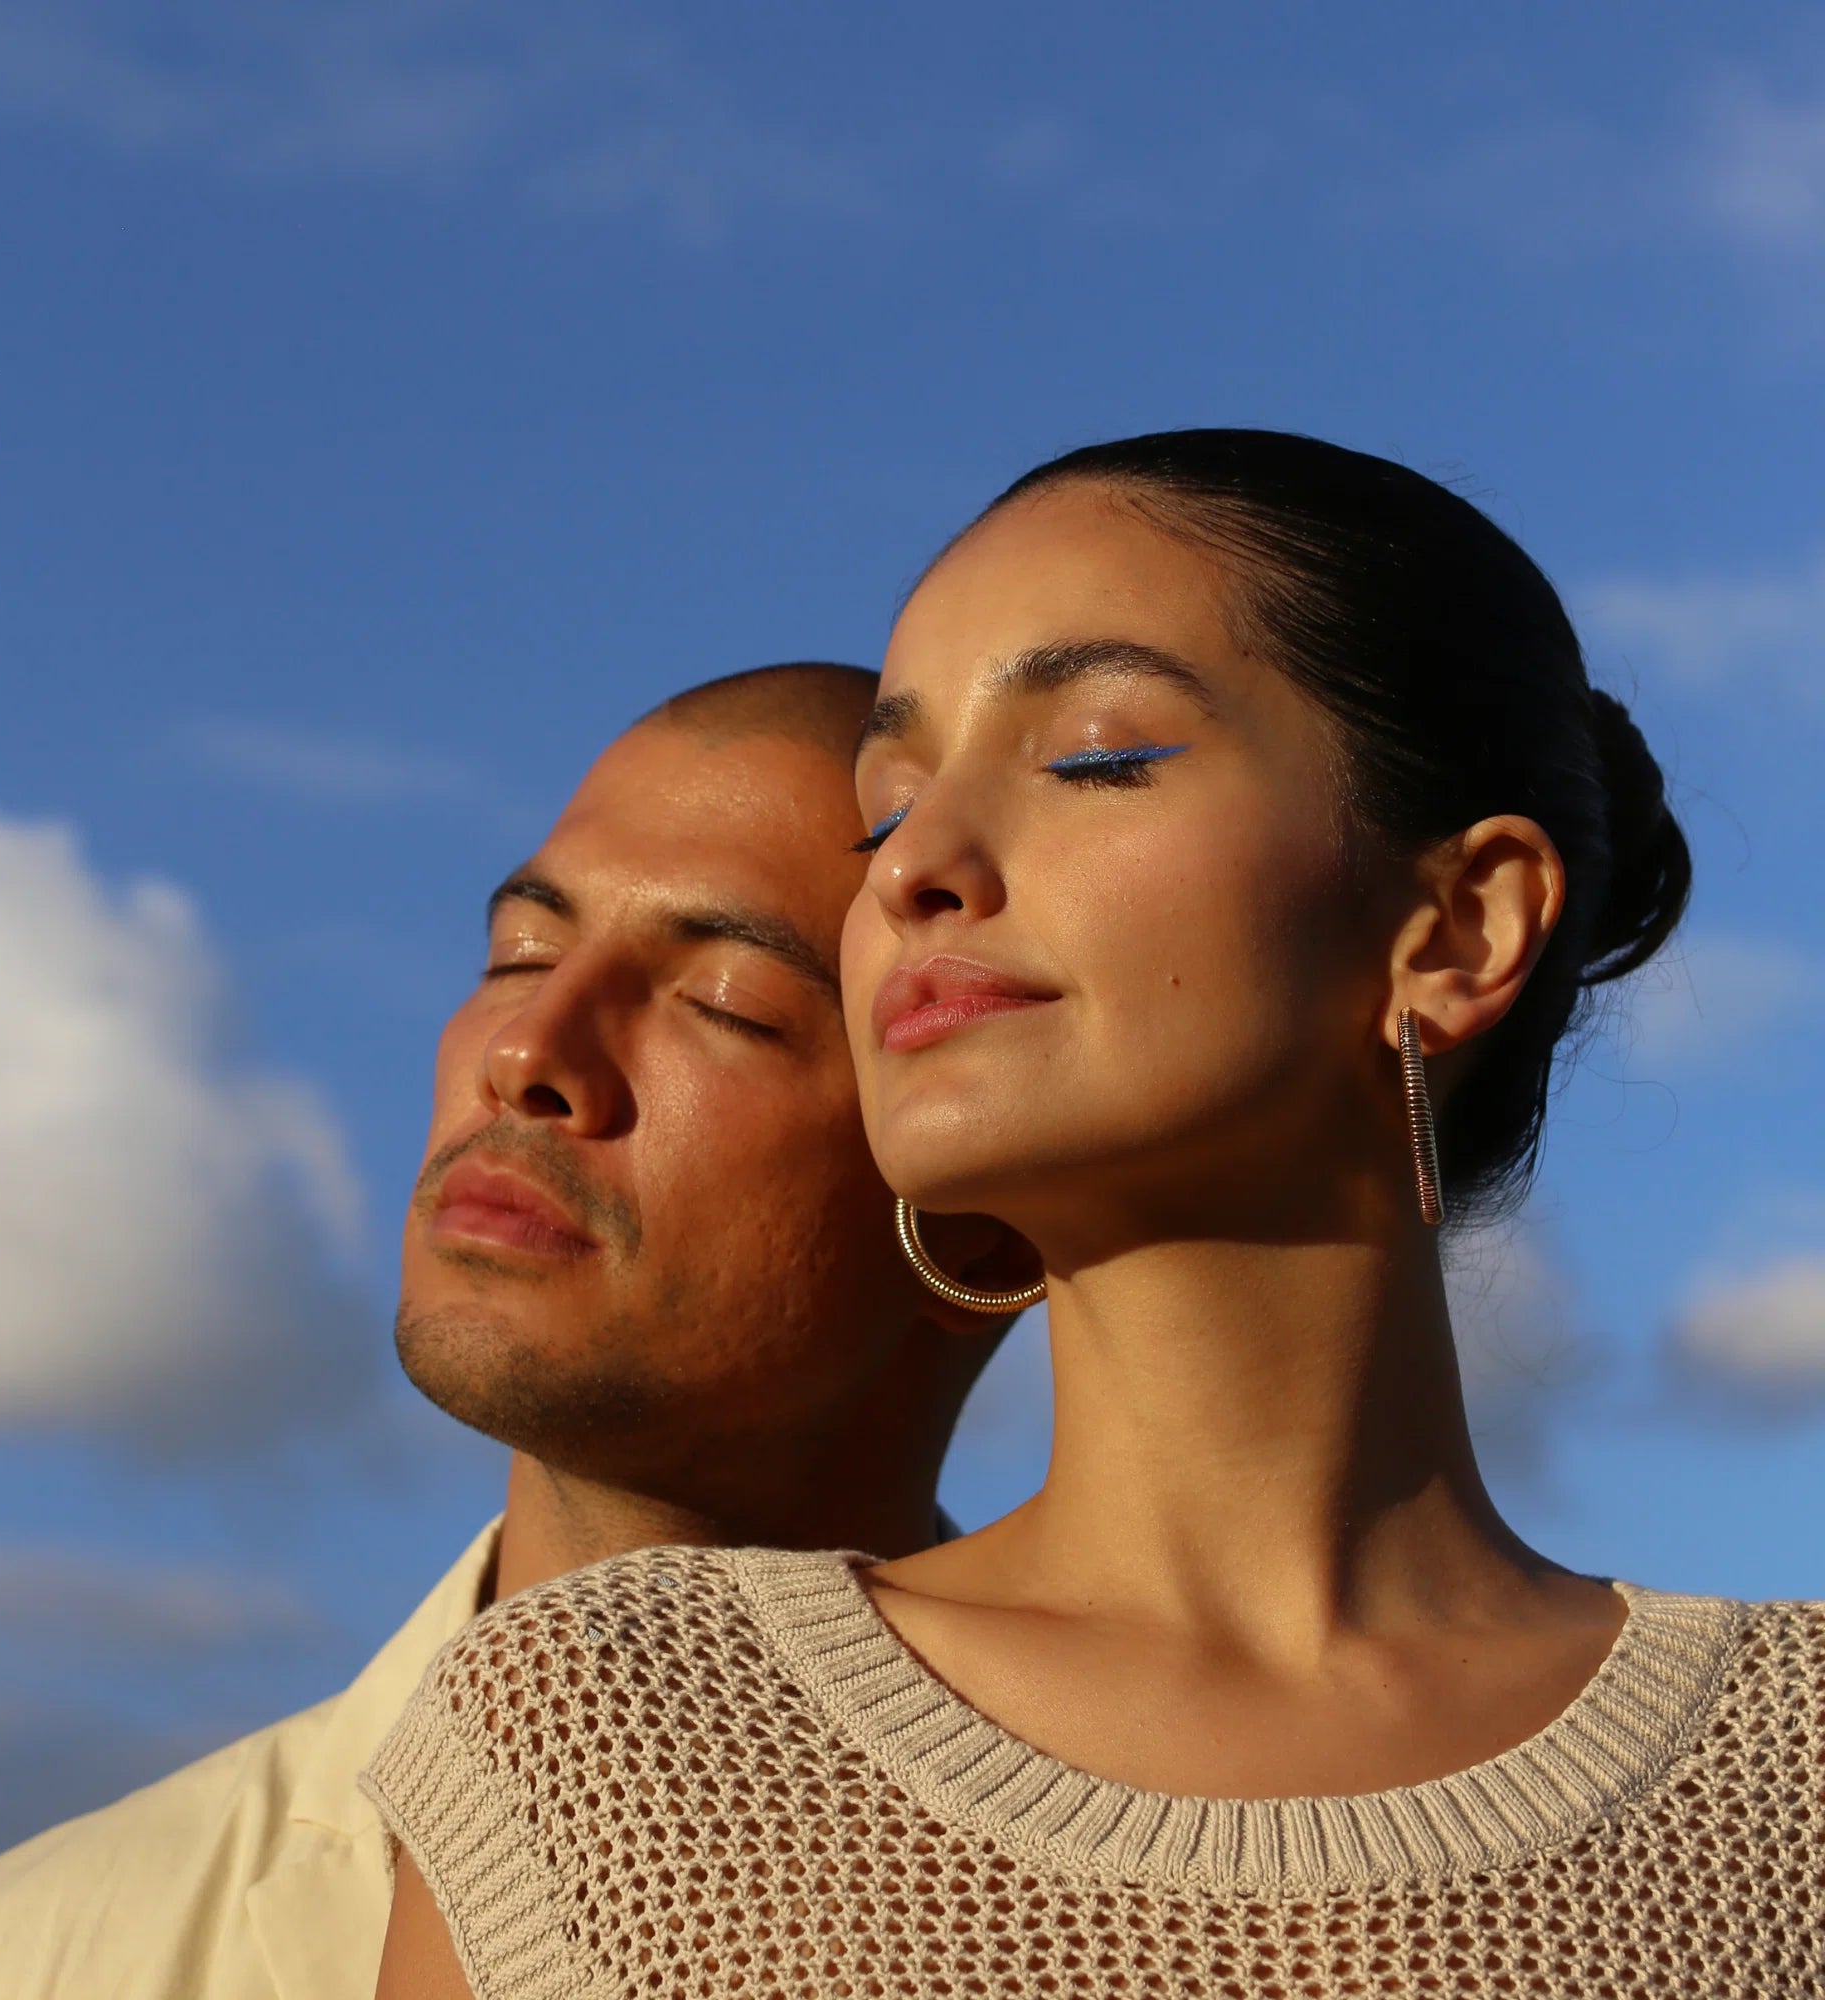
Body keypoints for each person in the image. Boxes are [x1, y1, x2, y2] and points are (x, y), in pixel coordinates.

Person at [370, 432, 1824, 1999]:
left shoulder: (1791, 1786)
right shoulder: (606, 1747)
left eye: (1095, 758)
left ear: (1458, 927)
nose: (915, 863)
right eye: (888, 807)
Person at [0, 662, 1018, 2000]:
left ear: (984, 1219)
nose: (526, 1048)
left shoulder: (1208, 1900)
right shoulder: (18, 1968)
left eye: (727, 1005)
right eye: (519, 954)